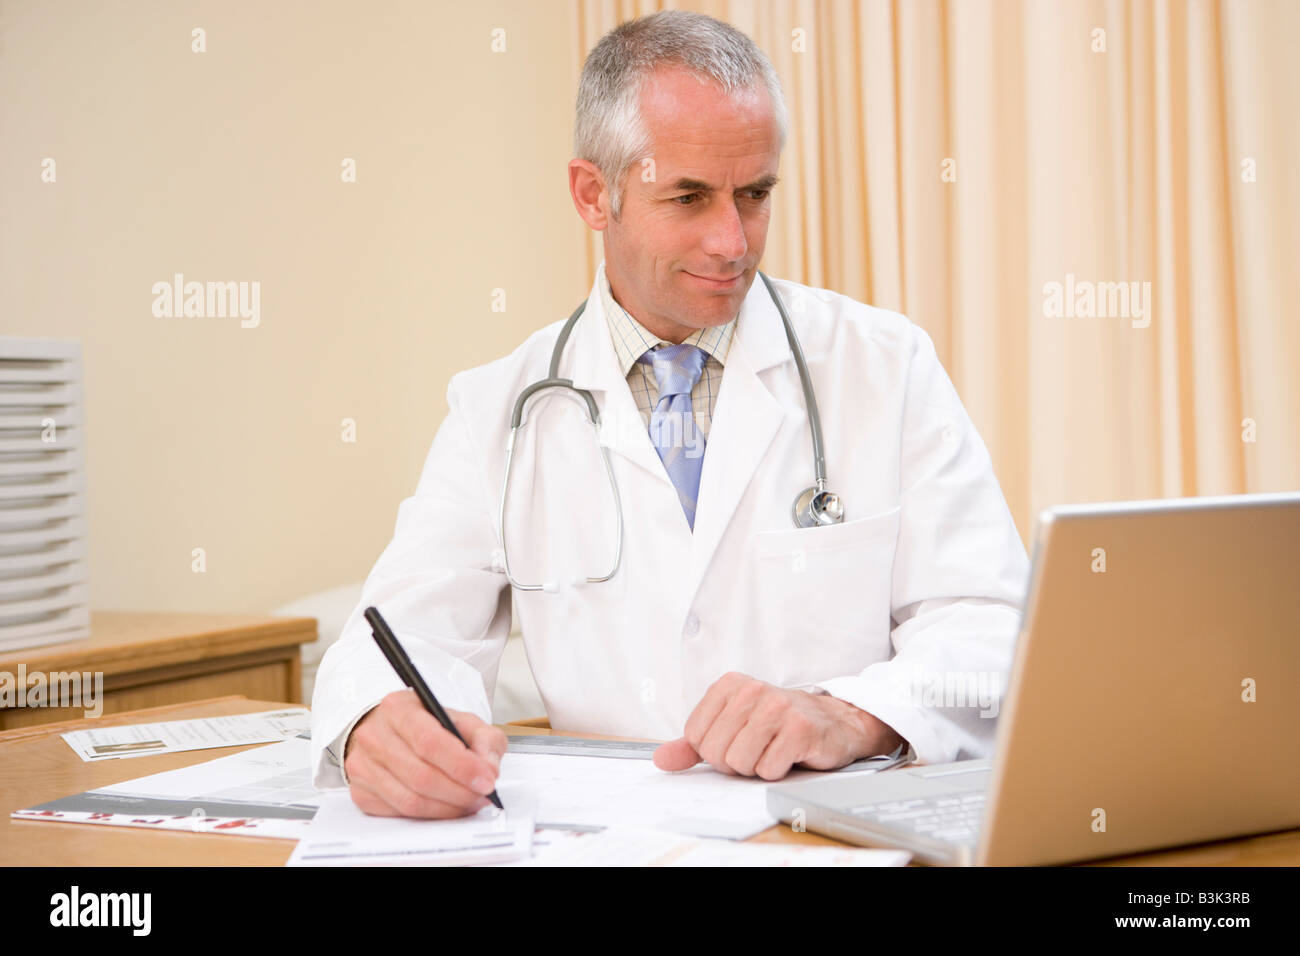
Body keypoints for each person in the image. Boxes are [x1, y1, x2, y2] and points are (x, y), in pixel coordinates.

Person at [310, 10, 1029, 819]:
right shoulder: (498, 410)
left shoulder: (883, 366)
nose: (732, 241)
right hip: (609, 842)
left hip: (824, 836)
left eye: (754, 195)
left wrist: (854, 713)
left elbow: (994, 628)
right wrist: (378, 726)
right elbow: (396, 641)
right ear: (593, 194)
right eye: (688, 197)